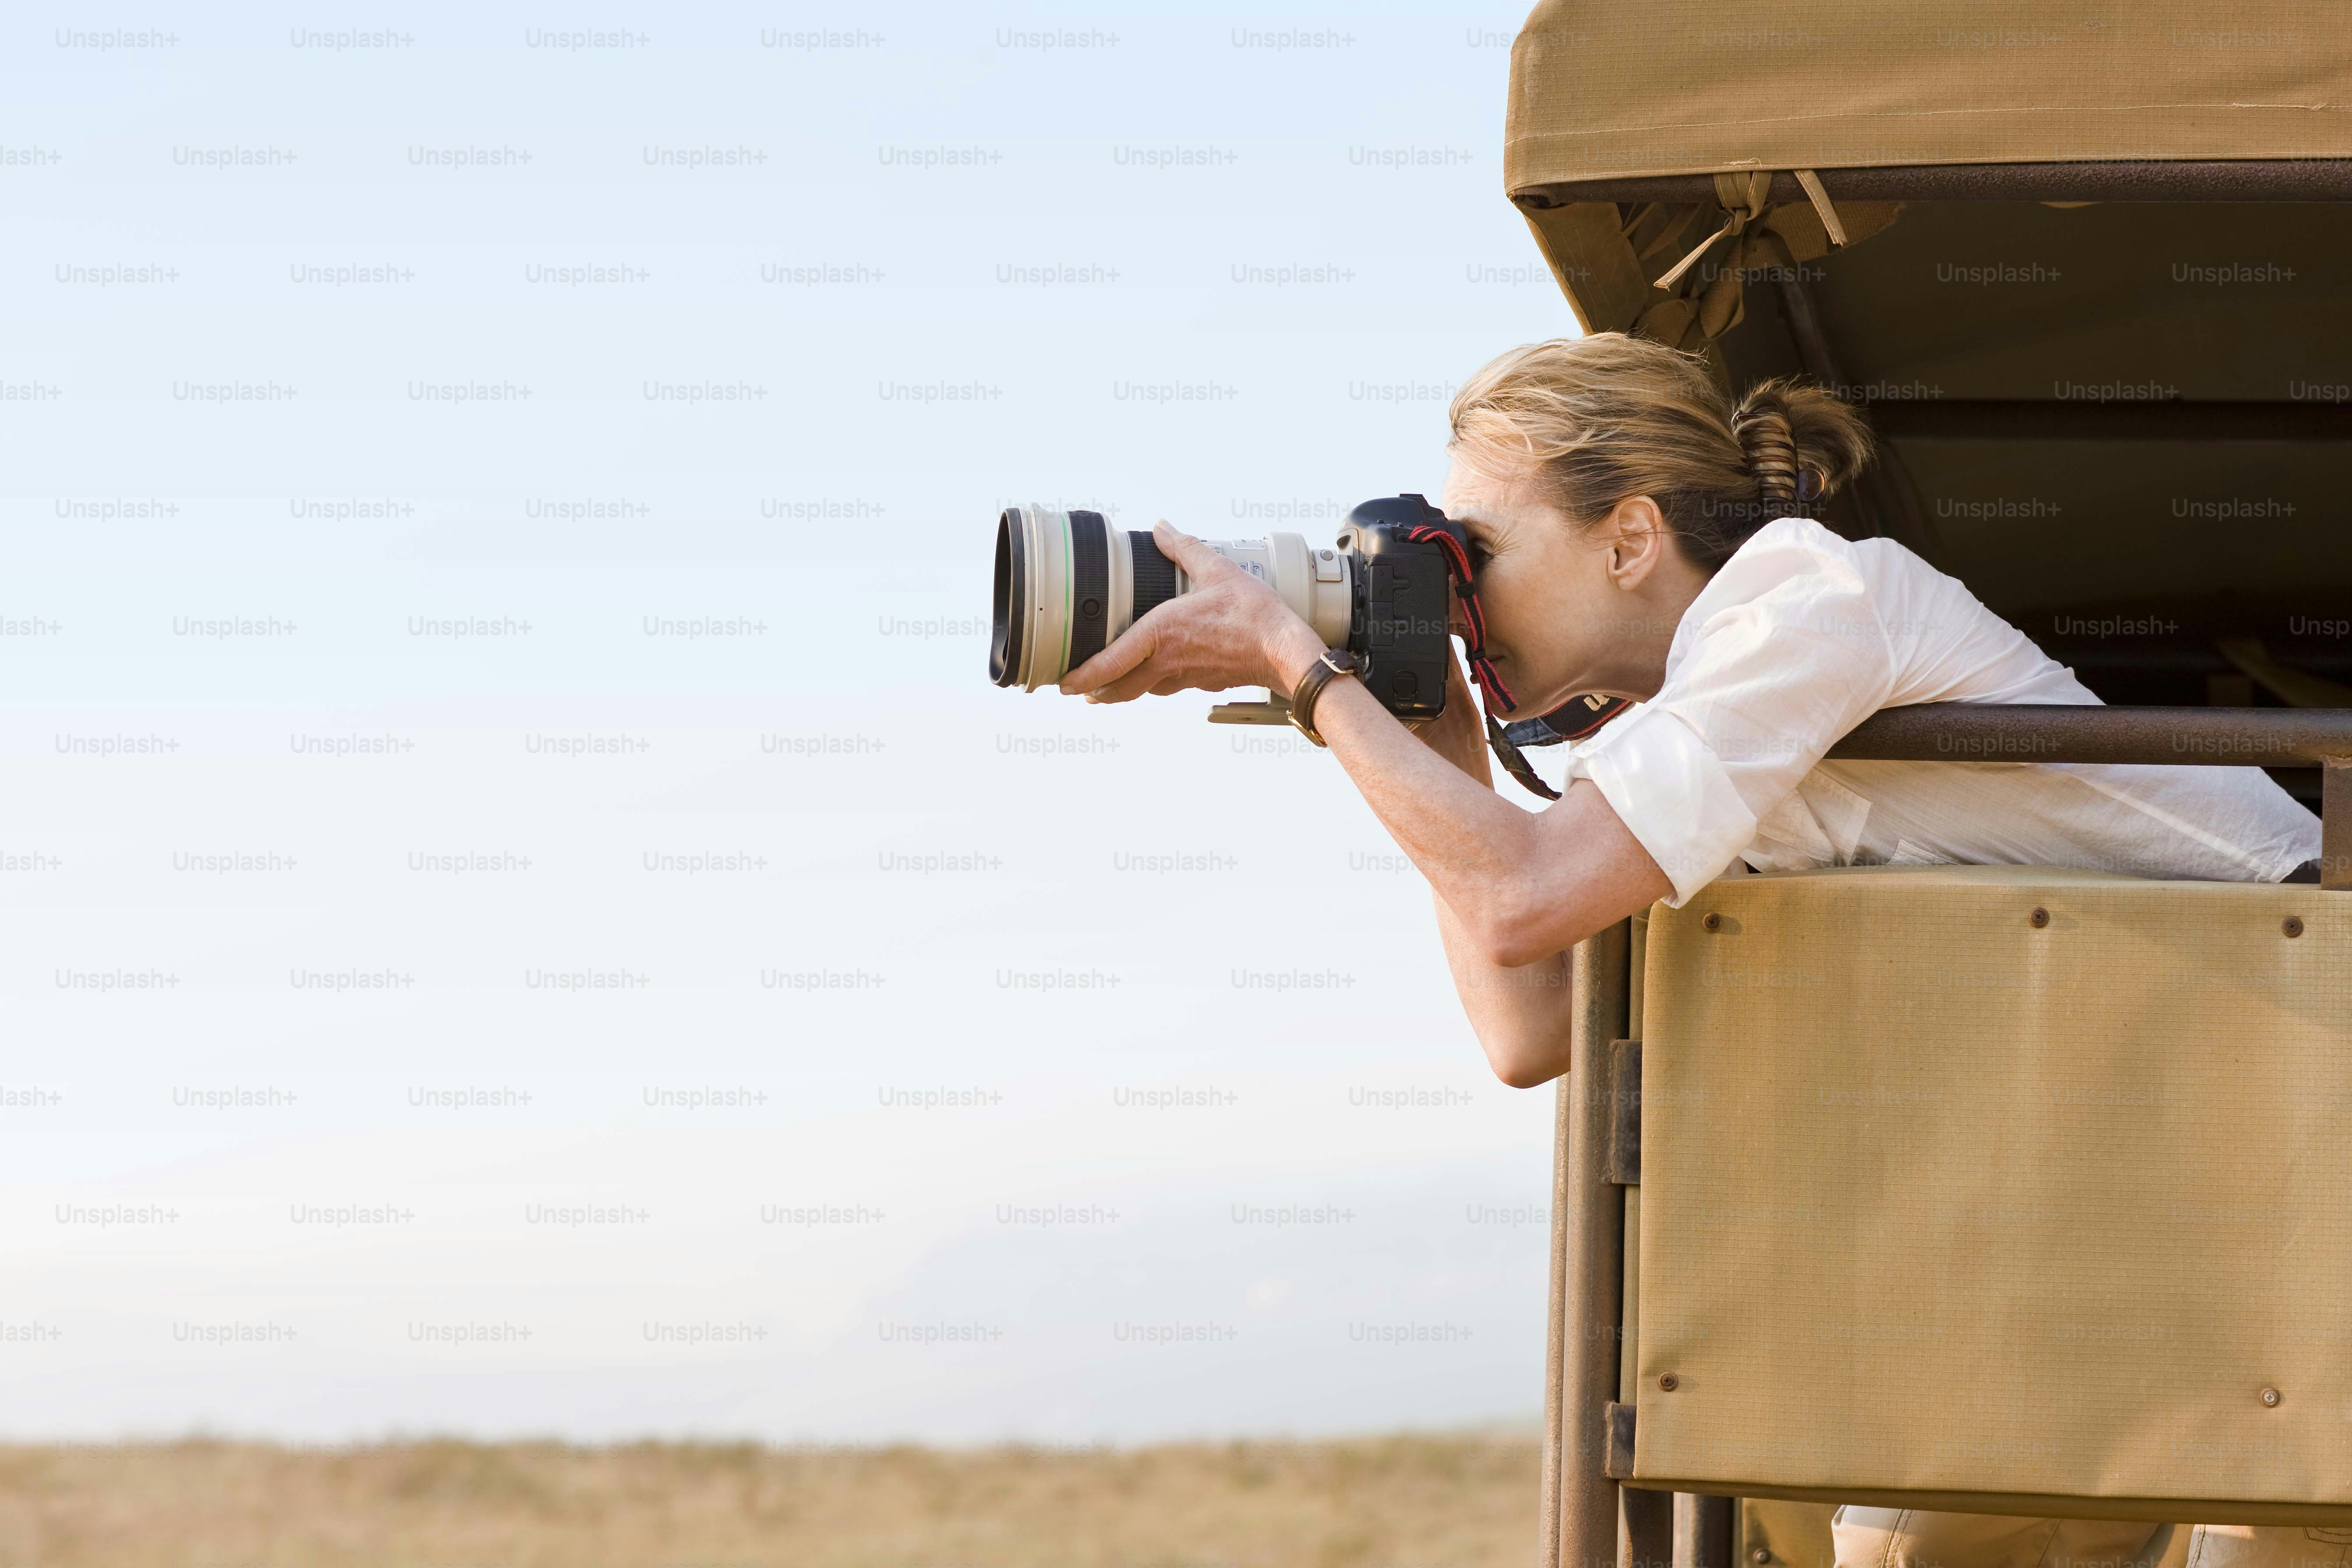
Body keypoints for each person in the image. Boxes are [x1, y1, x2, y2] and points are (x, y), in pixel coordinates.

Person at [1056, 331, 2326, 1568]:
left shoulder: (1809, 597)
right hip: (2155, 1147)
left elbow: (1520, 896)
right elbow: (1530, 1025)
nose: (1461, 594)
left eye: (1480, 550)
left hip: (2297, 1059)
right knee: (1918, 1539)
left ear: (1629, 537)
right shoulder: (1680, 724)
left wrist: (1296, 661)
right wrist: (1434, 746)